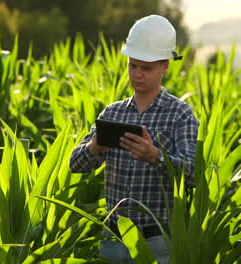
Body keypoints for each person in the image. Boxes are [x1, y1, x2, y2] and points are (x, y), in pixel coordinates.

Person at [69, 15, 199, 264]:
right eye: (133, 65)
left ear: (165, 66)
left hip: (157, 243)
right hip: (112, 240)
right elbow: (75, 165)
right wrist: (95, 147)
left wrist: (156, 158)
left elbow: (194, 175)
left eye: (146, 68)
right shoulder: (112, 112)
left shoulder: (180, 114)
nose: (137, 74)